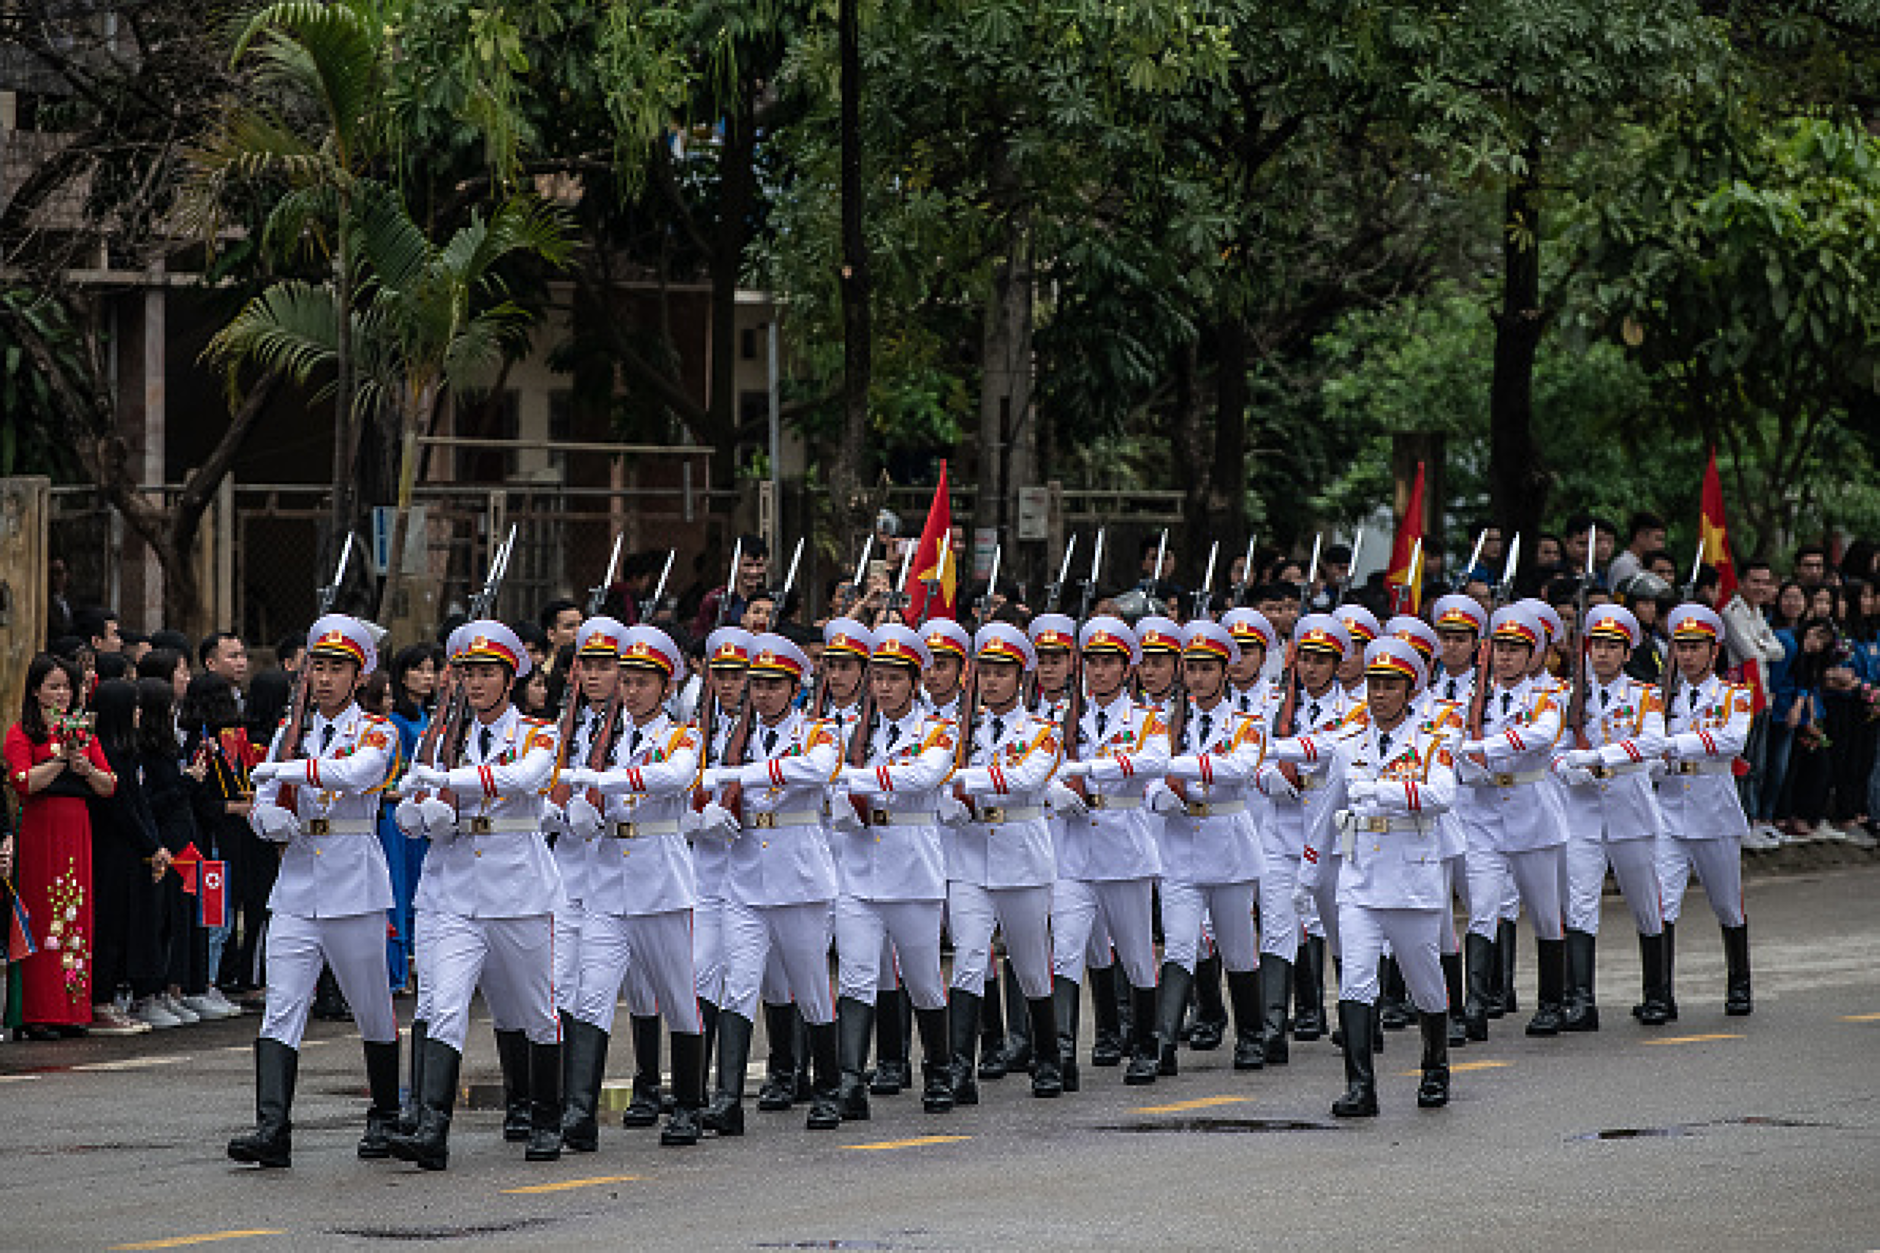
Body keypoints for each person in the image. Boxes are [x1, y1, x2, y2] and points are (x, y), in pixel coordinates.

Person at [391, 621, 563, 1170]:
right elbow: (406, 807)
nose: (478, 683)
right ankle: (432, 1129)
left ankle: (545, 1118)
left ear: (510, 679)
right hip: (454, 889)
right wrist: (425, 814)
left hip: (519, 892)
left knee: (535, 1011)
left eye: (488, 673)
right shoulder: (438, 738)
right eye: (469, 673)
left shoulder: (537, 732)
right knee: (443, 1006)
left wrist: (447, 784)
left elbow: (523, 780)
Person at [231, 616, 401, 1169]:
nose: (324, 679)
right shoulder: (291, 730)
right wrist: (269, 822)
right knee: (281, 1007)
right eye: (317, 668)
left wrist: (290, 768)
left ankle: (386, 1113)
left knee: (371, 1006)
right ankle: (272, 1128)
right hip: (299, 882)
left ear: (359, 675)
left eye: (336, 669)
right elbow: (262, 802)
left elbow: (357, 774)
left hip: (354, 882)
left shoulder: (378, 729)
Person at [1267, 638, 1461, 1116]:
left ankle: (1435, 1065)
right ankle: (1360, 1086)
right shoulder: (1349, 743)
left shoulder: (1433, 739)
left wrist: (1382, 791)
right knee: (1355, 979)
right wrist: (1309, 875)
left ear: (1409, 690)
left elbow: (1441, 796)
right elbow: (1325, 814)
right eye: (1374, 683)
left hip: (1411, 876)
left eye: (1390, 685)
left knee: (1425, 981)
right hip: (1359, 878)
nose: (1378, 694)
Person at [561, 624, 709, 1147]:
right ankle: (578, 1113)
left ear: (667, 687)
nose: (632, 690)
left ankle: (688, 1105)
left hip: (660, 883)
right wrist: (581, 811)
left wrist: (604, 782)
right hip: (605, 881)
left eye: (645, 681)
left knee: (676, 998)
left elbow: (675, 777)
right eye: (627, 680)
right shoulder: (605, 737)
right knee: (591, 995)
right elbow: (573, 793)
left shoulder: (681, 734)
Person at [694, 633, 842, 1134]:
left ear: (795, 687)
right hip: (744, 878)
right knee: (738, 986)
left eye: (773, 685)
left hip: (799, 880)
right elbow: (707, 784)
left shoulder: (819, 731)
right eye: (756, 684)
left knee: (811, 991)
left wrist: (750, 773)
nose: (762, 694)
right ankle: (728, 1099)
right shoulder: (735, 736)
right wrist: (712, 816)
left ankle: (828, 1090)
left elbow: (818, 771)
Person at [824, 624, 957, 1117]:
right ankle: (850, 1083)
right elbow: (822, 775)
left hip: (912, 869)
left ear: (914, 681)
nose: (882, 687)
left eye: (893, 678)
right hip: (858, 868)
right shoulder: (851, 731)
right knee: (857, 976)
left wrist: (853, 778)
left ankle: (940, 1073)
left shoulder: (938, 731)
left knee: (922, 979)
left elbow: (923, 775)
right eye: (877, 677)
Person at [940, 622, 1066, 1101]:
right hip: (970, 858)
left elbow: (1025, 778)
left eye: (1001, 673)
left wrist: (960, 782)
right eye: (985, 673)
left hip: (1021, 858)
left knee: (1031, 966)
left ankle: (1049, 1059)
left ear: (1021, 677)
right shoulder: (955, 731)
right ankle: (957, 1068)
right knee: (969, 960)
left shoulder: (1043, 731)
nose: (991, 682)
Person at [1144, 620, 1267, 1076]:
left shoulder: (1247, 722)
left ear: (1224, 670)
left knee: (1236, 949)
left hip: (1229, 845)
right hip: (1178, 846)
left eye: (1206, 668)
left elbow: (1238, 769)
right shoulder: (1164, 724)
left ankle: (1252, 1036)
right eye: (1191, 668)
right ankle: (1163, 1043)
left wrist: (1178, 770)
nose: (1196, 677)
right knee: (1179, 944)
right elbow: (1148, 781)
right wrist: (1165, 793)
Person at [1053, 616, 1169, 1087]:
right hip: (1073, 850)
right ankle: (1059, 1052)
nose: (1098, 673)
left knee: (1138, 954)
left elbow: (1155, 760)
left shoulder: (1146, 719)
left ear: (1128, 669)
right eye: (1093, 663)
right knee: (1065, 952)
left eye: (1109, 664)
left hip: (1124, 848)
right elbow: (1038, 762)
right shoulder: (1063, 717)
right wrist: (1055, 785)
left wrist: (1090, 768)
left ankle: (1145, 1044)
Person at [1553, 605, 1673, 1029]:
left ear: (1627, 653)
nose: (1601, 654)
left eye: (1611, 647)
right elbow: (1556, 751)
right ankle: (1581, 1001)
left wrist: (1600, 757)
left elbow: (1654, 743)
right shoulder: (1570, 696)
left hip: (1630, 811)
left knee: (1644, 903)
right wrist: (1570, 766)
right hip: (1583, 813)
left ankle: (1657, 994)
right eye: (1596, 645)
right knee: (1581, 902)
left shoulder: (1644, 696)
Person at [1453, 605, 1569, 1039]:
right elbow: (1448, 740)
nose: (1505, 657)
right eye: (1499, 647)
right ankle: (1475, 1006)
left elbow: (1543, 734)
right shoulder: (1471, 696)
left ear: (1531, 653)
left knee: (1543, 914)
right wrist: (1467, 756)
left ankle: (1551, 1003)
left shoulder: (1548, 693)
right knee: (1481, 910)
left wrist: (1487, 746)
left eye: (1515, 649)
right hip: (1483, 813)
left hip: (1532, 811)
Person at [1254, 614, 1358, 1059]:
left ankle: (1357, 1017)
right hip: (1283, 826)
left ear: (1337, 663)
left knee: (1344, 929)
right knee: (1277, 928)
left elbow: (1333, 748)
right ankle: (1273, 1029)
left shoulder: (1354, 708)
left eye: (1321, 660)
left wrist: (1278, 751)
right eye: (1306, 659)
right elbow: (1249, 757)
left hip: (1337, 827)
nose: (1311, 668)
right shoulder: (1274, 706)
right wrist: (1267, 778)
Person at [6, 655, 116, 1040]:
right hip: (40, 830)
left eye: (67, 687)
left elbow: (108, 785)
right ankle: (38, 1011)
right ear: (35, 690)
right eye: (53, 686)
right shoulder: (23, 732)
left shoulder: (84, 733)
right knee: (41, 915)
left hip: (76, 829)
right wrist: (61, 758)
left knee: (74, 916)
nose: (62, 695)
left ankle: (71, 1008)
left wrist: (84, 767)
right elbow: (24, 781)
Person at [1654, 603, 1754, 1018]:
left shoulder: (1734, 695)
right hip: (1668, 808)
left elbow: (1732, 742)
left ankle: (1740, 985)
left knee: (1727, 903)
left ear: (1713, 652)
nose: (1689, 655)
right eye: (1682, 647)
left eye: (1697, 647)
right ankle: (1659, 995)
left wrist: (1674, 745)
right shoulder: (1661, 697)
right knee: (1660, 904)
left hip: (1713, 811)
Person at [82, 679, 166, 1035]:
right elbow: (121, 808)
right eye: (132, 706)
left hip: (132, 850)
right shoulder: (106, 752)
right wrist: (150, 845)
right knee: (109, 925)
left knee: (123, 924)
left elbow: (140, 805)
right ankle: (99, 999)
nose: (139, 713)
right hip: (112, 850)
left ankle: (110, 997)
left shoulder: (127, 752)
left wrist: (154, 845)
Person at [692, 535, 770, 639]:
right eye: (747, 565)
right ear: (734, 563)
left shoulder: (771, 601)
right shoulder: (715, 600)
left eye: (759, 565)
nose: (753, 572)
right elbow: (698, 638)